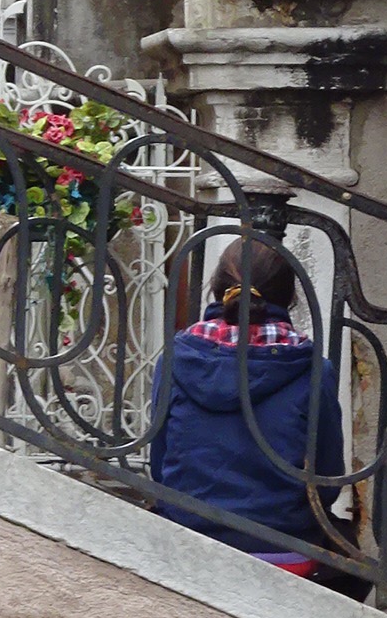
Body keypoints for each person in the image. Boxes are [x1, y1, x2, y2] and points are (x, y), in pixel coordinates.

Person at [148, 237, 347, 572]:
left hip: (186, 540)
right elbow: (327, 479)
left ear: (216, 288)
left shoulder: (176, 358)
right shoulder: (313, 369)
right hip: (284, 549)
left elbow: (159, 462)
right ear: (290, 297)